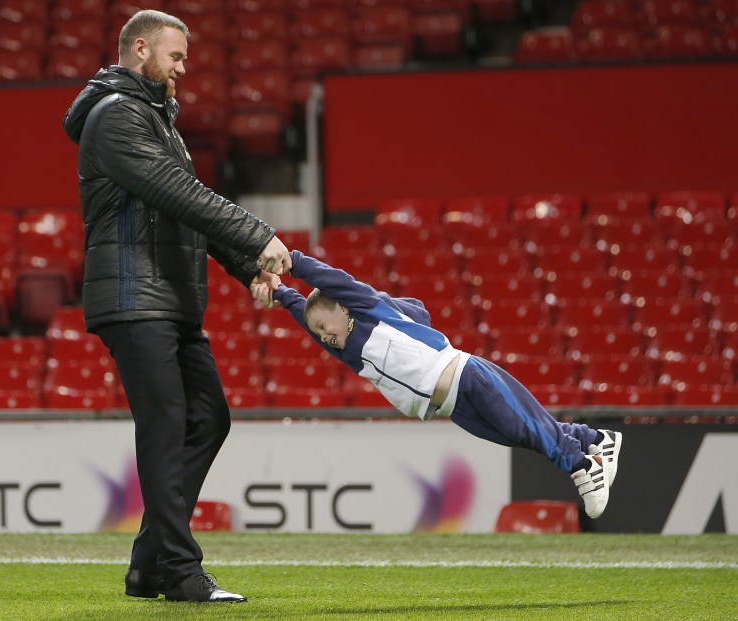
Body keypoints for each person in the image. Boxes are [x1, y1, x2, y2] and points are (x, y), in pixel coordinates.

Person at [62, 9, 290, 604]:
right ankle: (182, 572)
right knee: (167, 424)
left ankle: (148, 564)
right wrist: (259, 234)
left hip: (168, 300)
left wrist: (248, 269)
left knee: (208, 418)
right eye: (176, 57)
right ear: (140, 49)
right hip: (136, 297)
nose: (183, 70)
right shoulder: (115, 119)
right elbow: (180, 193)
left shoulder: (157, 120)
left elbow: (185, 214)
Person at [251, 250, 623, 520]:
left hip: (467, 376)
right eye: (319, 332)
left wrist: (293, 263)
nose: (323, 336)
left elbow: (335, 281)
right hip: (452, 407)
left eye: (325, 326)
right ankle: (595, 440)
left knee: (523, 426)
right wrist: (282, 294)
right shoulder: (349, 351)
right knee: (520, 435)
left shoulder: (368, 310)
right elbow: (308, 317)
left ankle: (581, 466)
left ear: (345, 309)